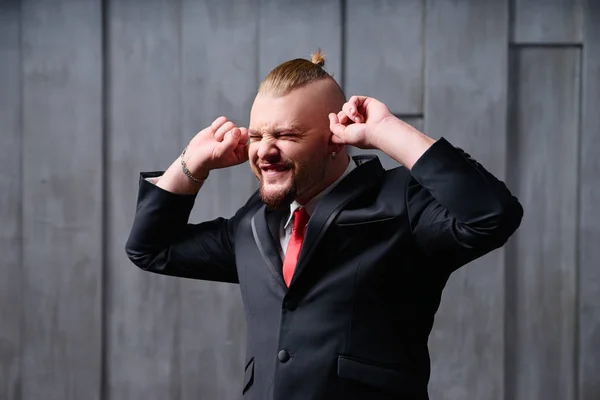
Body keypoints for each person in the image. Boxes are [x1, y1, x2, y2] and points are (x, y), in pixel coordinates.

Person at [125, 50, 523, 400]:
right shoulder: (251, 224)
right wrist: (190, 165)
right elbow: (151, 248)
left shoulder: (401, 204)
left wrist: (387, 132)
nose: (264, 150)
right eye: (258, 135)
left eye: (285, 135)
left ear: (336, 139)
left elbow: (492, 215)